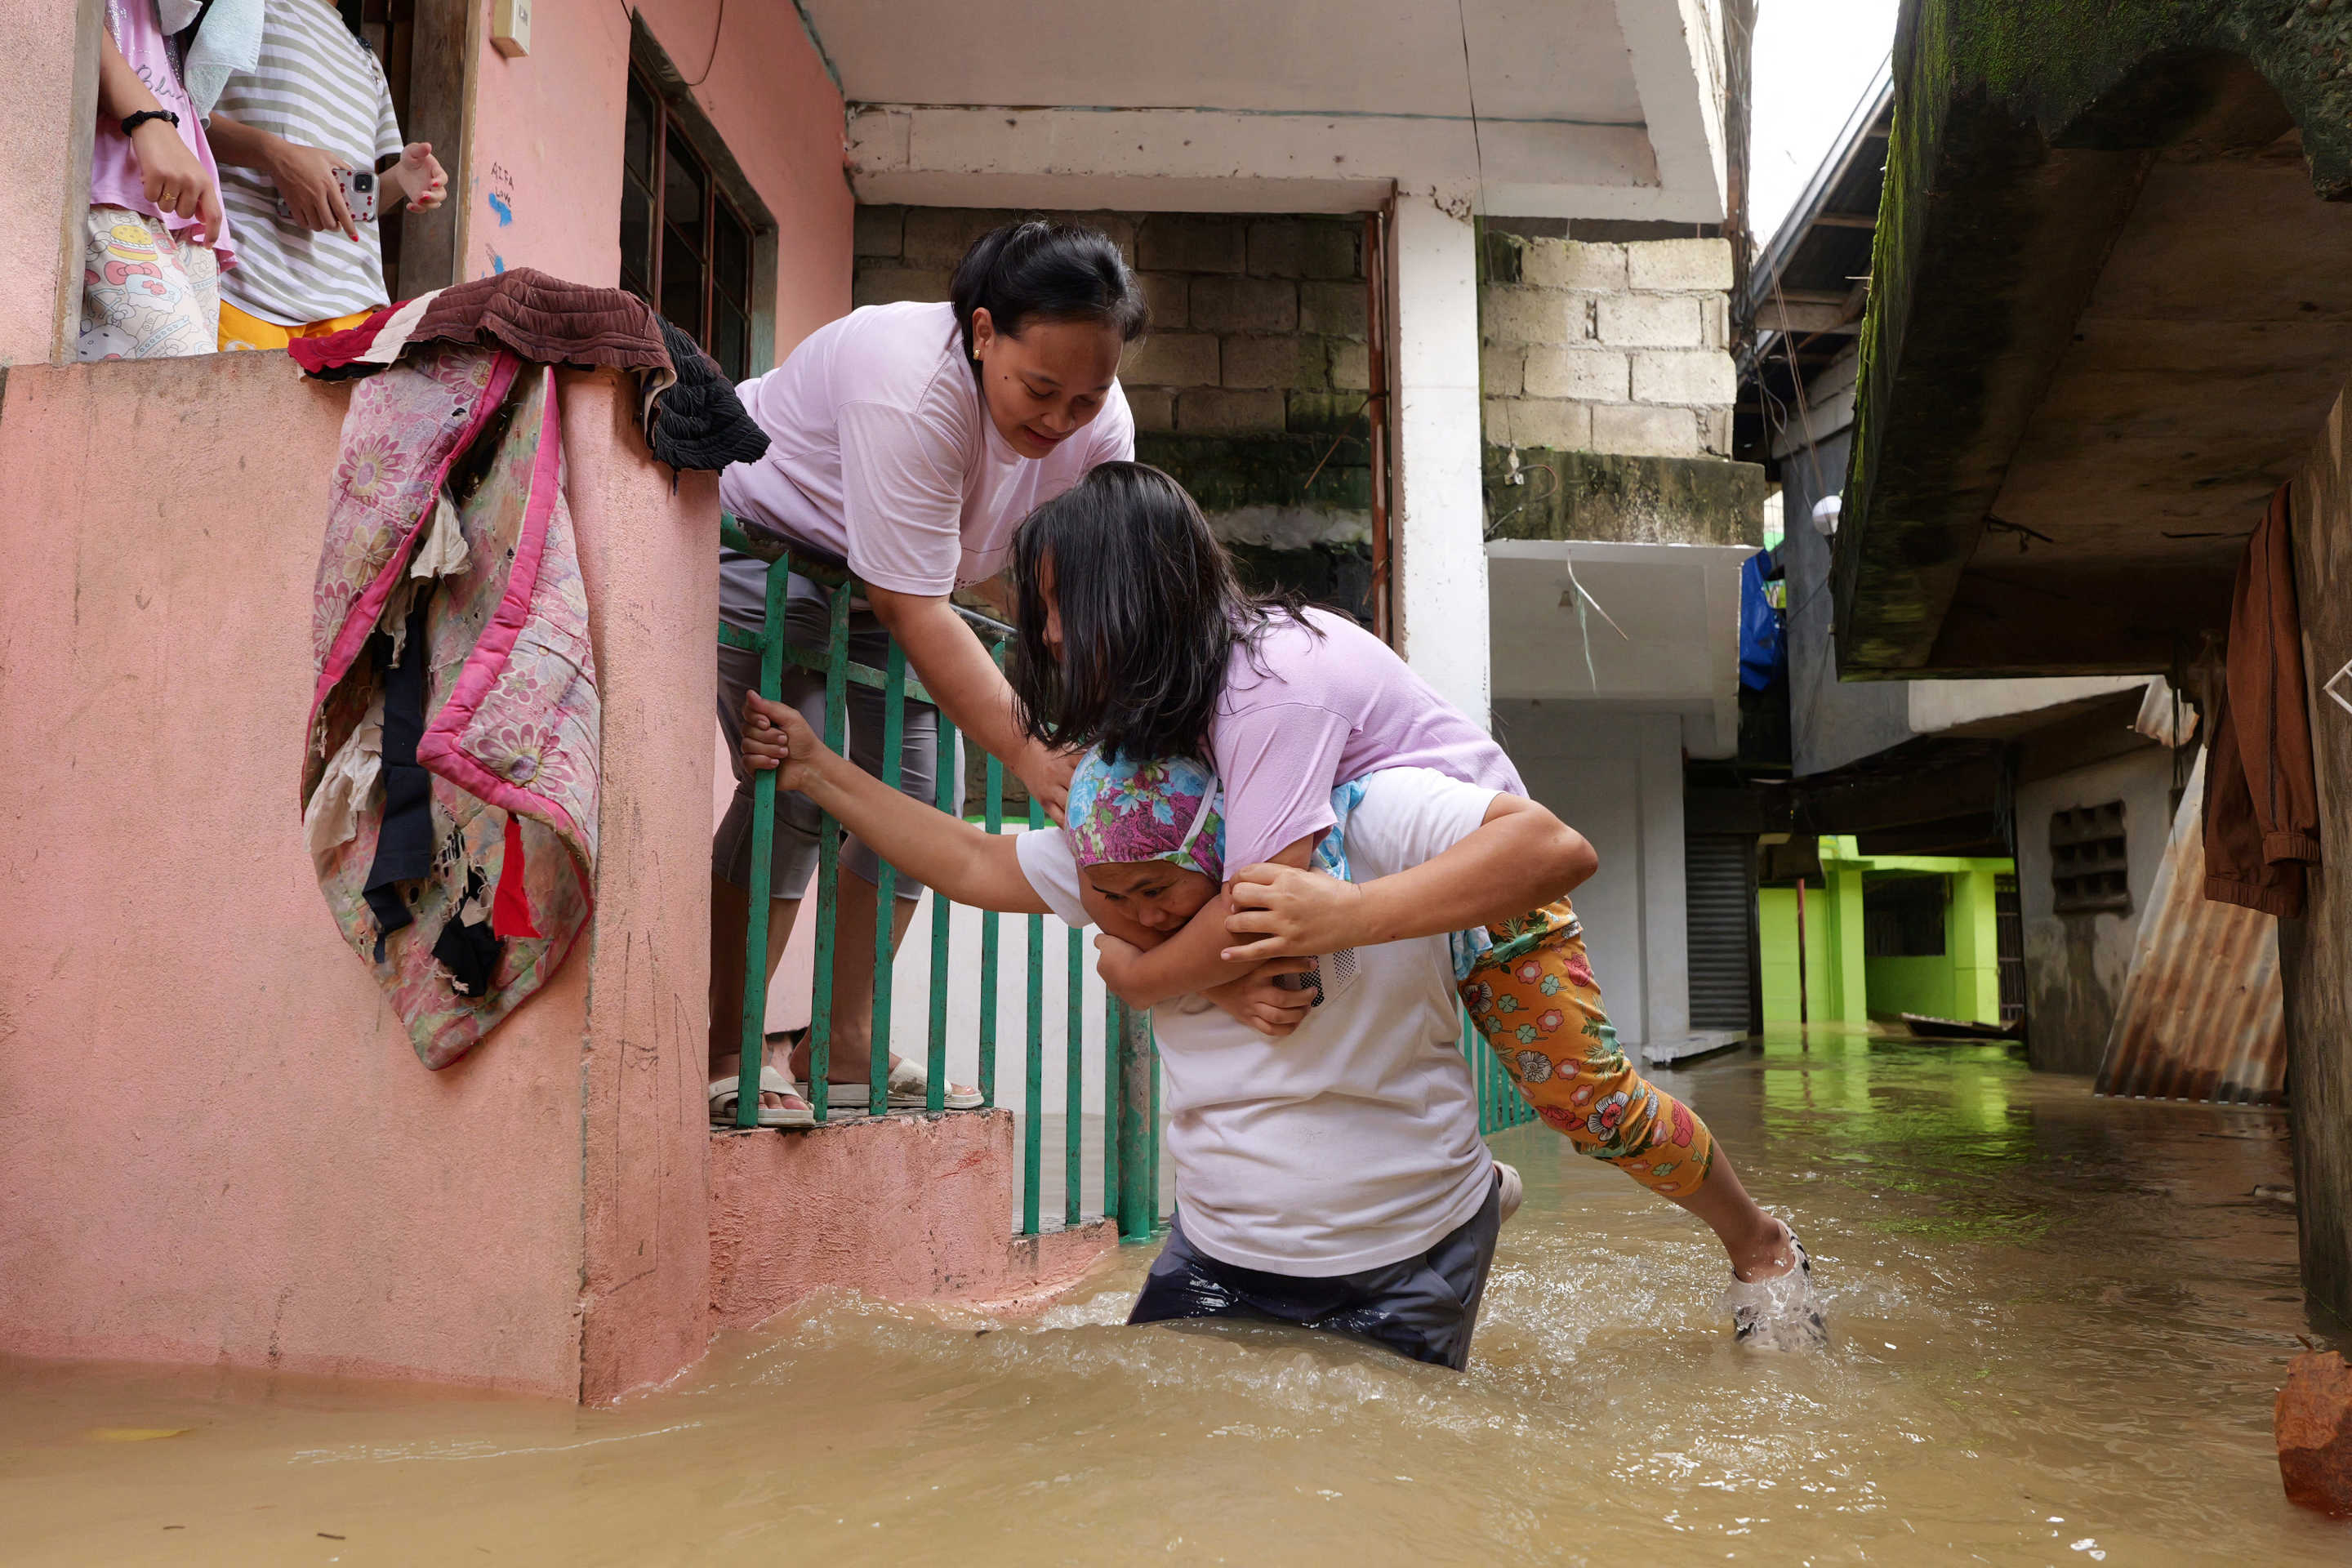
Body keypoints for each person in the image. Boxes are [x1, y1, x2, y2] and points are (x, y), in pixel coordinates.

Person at [1005, 464, 1826, 1345]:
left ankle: (1762, 1243)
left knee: (1590, 1104)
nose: (1051, 634)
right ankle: (1465, 1201)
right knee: (1288, 1025)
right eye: (1043, 608)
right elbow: (1250, 928)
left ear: (1141, 595)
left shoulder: (1269, 680)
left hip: (1481, 885)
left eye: (1069, 605)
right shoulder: (1177, 698)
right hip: (1355, 892)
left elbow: (1254, 912)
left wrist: (1135, 974)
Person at [742, 695, 1598, 1368]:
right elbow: (971, 860)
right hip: (1225, 1250)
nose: (1136, 915)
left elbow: (1557, 849)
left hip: (1409, 1242)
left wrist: (1351, 914)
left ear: (1225, 855)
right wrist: (819, 770)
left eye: (1159, 892)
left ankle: (1477, 1200)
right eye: (1109, 898)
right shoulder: (1117, 861)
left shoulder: (1364, 817)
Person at [705, 220, 1147, 1126]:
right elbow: (915, 606)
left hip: (898, 590)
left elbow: (1090, 586)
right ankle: (731, 1051)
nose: (1062, 419)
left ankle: (843, 1042)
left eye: (1085, 397)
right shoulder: (909, 384)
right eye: (1041, 389)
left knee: (921, 790)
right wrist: (1032, 758)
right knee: (793, 781)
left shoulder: (1100, 422)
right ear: (984, 333)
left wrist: (1104, 729)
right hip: (770, 554)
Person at [197, 0, 445, 351]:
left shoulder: (366, 59)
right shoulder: (246, 6)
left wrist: (399, 179)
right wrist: (275, 155)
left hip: (351, 305)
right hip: (243, 282)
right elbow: (179, 112)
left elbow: (349, 200)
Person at [80, 0, 232, 361]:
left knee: (185, 397)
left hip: (187, 206)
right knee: (191, 391)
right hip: (108, 187)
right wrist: (147, 120)